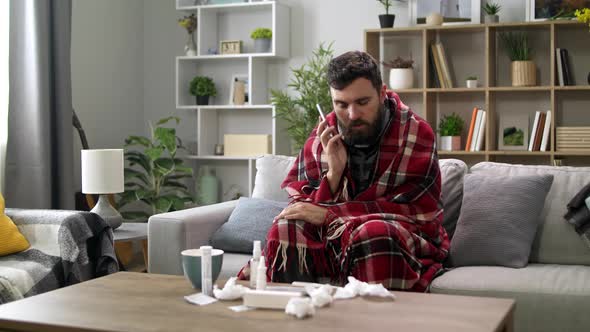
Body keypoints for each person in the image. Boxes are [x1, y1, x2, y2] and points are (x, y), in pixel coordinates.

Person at [243, 51, 449, 292]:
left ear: (382, 93)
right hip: (336, 237)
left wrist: (331, 215)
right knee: (285, 230)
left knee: (373, 235)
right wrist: (333, 176)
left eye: (362, 103)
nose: (352, 115)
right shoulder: (324, 133)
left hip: (398, 234)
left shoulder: (416, 134)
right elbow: (303, 208)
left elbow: (416, 213)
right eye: (341, 104)